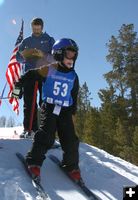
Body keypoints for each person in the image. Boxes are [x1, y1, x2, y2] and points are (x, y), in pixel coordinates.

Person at [16, 38, 81, 182]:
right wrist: (18, 85)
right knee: (46, 136)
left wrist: (73, 111)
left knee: (71, 139)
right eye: (69, 54)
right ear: (58, 53)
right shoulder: (49, 69)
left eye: (74, 55)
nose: (72, 58)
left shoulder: (73, 76)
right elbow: (30, 75)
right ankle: (33, 161)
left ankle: (71, 166)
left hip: (65, 110)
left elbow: (74, 94)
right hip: (50, 107)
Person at [16, 17, 55, 138]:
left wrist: (42, 54)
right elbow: (18, 58)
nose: (36, 30)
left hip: (45, 74)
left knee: (45, 103)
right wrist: (27, 55)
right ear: (31, 27)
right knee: (29, 102)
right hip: (29, 74)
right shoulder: (26, 41)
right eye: (34, 28)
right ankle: (29, 129)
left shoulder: (49, 40)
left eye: (38, 28)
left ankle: (45, 132)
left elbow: (55, 58)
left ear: (42, 28)